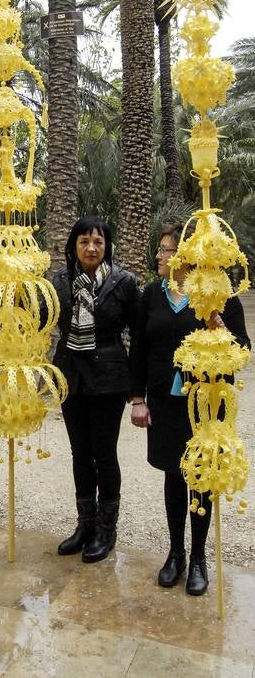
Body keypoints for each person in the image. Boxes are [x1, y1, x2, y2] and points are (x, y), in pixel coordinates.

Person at [130, 222, 250, 595]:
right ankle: (176, 552)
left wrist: (220, 332)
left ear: (187, 255)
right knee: (172, 474)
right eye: (161, 250)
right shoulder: (152, 294)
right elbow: (139, 350)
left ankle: (199, 557)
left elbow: (242, 349)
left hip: (206, 403)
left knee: (202, 477)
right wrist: (137, 399)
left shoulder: (220, 297)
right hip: (164, 400)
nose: (160, 256)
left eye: (166, 250)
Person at [53, 216, 140, 563]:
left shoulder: (123, 282)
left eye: (98, 242)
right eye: (84, 242)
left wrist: (138, 392)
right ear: (73, 245)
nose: (91, 248)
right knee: (79, 452)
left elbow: (140, 336)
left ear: (107, 246)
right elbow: (43, 315)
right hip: (71, 376)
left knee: (104, 453)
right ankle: (84, 524)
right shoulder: (59, 280)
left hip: (108, 377)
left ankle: (106, 529)